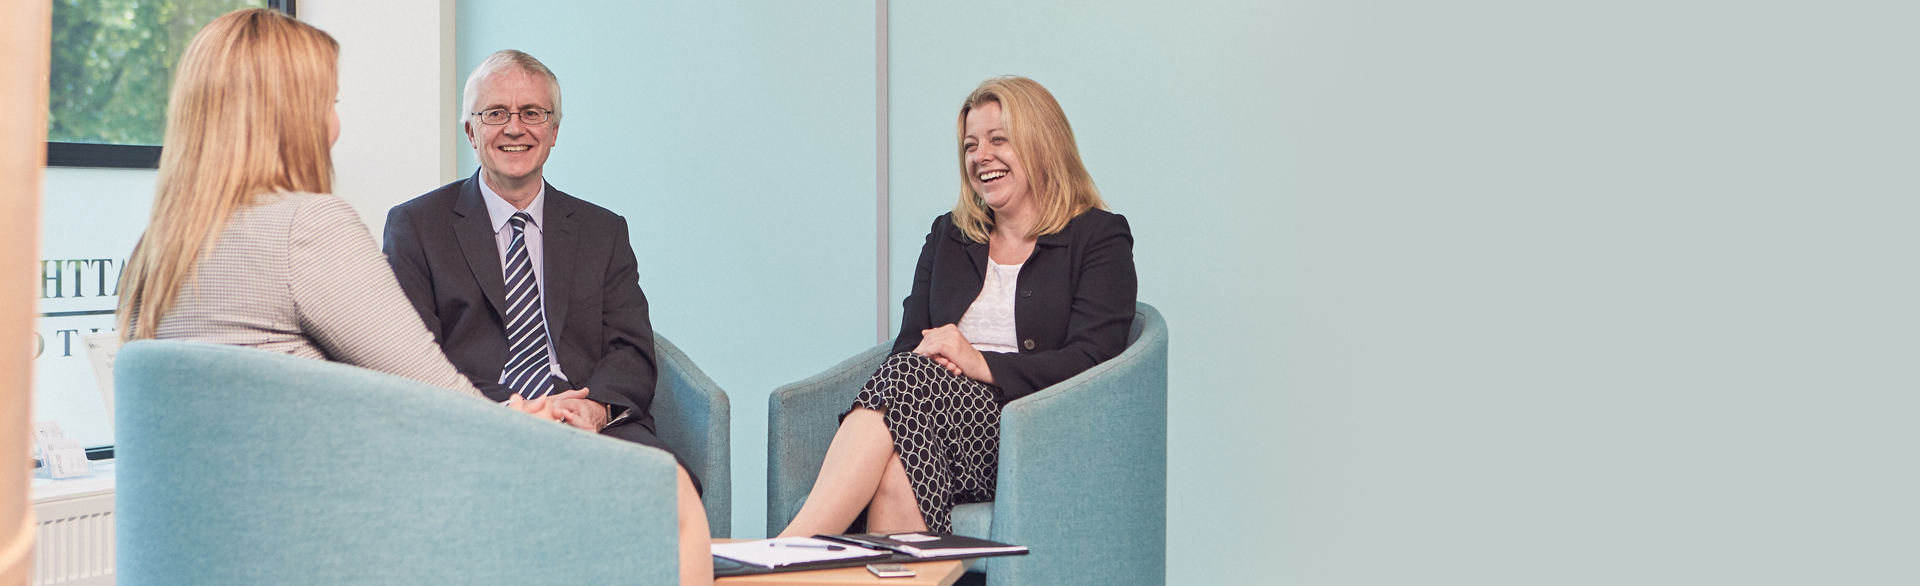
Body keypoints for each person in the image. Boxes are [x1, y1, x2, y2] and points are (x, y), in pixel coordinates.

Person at [116, 9, 575, 421]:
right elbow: (433, 398)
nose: (334, 125)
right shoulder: (309, 227)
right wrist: (525, 422)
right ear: (293, 116)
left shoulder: (155, 248)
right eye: (329, 104)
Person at [381, 50, 711, 585]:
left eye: (532, 113)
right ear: (470, 131)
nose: (515, 127)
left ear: (554, 131)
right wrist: (515, 410)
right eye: (496, 113)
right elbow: (410, 356)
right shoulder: (417, 226)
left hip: (592, 423)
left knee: (671, 492)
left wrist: (595, 409)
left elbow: (631, 348)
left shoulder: (603, 230)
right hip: (481, 423)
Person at [778, 76, 1137, 537]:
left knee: (907, 382)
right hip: (931, 420)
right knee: (897, 466)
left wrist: (978, 362)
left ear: (1042, 143)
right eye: (970, 145)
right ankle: (812, 554)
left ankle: (791, 546)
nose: (980, 156)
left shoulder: (1099, 236)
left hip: (1030, 432)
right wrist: (941, 366)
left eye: (998, 139)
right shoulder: (948, 235)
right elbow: (911, 345)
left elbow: (1094, 361)